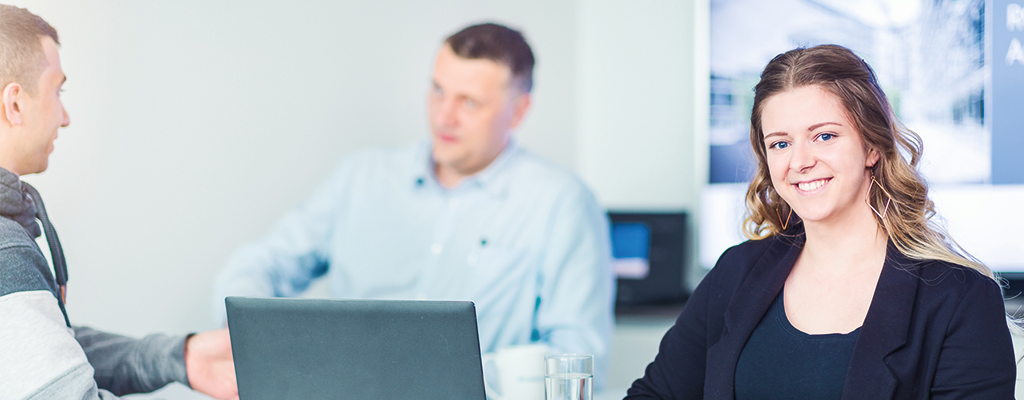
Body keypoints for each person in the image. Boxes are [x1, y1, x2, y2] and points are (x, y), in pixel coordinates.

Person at [211, 22, 615, 387]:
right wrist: (255, 339)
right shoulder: (362, 177)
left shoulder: (561, 203)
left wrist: (460, 373)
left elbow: (577, 356)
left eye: (469, 103)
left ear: (519, 111)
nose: (445, 116)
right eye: (438, 90)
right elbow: (260, 265)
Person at [625, 44, 1016, 399]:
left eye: (824, 136)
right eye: (780, 143)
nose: (799, 162)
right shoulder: (735, 272)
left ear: (872, 146)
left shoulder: (960, 297)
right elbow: (654, 395)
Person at [0, 5, 238, 400]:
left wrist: (177, 357)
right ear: (15, 104)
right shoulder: (7, 251)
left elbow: (42, 346)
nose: (65, 116)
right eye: (57, 90)